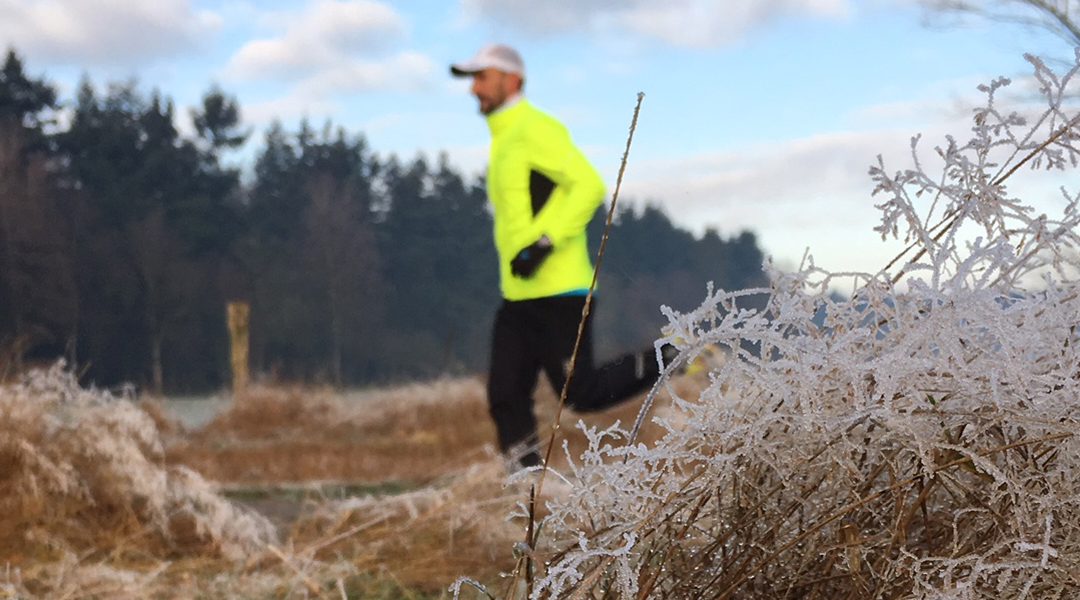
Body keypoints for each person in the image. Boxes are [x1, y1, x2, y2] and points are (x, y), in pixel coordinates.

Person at [450, 44, 670, 469]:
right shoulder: (504, 137)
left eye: (482, 77)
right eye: (472, 80)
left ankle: (676, 354)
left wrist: (543, 243)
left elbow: (588, 185)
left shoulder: (534, 128)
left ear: (512, 80)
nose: (474, 88)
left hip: (561, 290)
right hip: (518, 297)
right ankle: (527, 491)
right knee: (505, 396)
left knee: (581, 394)